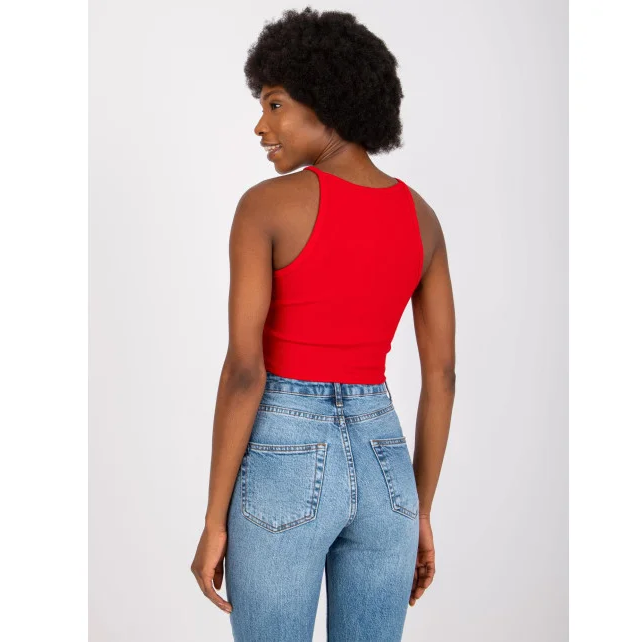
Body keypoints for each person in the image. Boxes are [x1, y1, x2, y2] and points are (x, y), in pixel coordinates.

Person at [191, 7, 456, 641]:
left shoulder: (266, 206)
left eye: (274, 104)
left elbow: (245, 371)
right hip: (386, 460)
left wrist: (214, 520)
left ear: (327, 99)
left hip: (283, 453)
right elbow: (442, 377)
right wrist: (419, 509)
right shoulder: (422, 218)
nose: (261, 126)